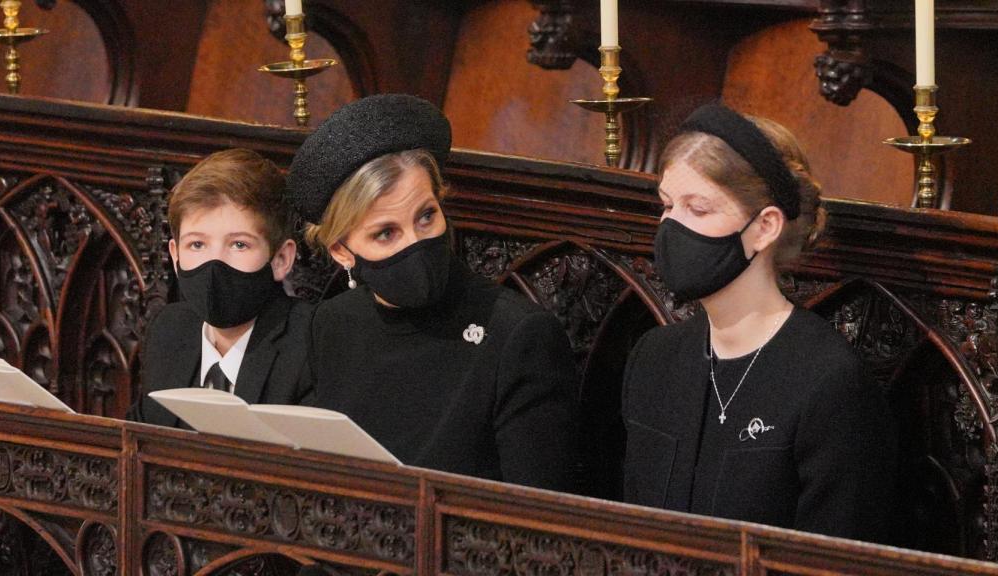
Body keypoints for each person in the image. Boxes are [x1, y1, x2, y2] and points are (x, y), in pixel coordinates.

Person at [621, 104, 894, 542]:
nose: (670, 228)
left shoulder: (830, 383)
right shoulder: (654, 358)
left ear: (765, 227)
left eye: (699, 209)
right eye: (667, 206)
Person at [286, 94, 579, 492]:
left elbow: (540, 515)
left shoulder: (519, 335)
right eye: (386, 233)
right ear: (341, 250)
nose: (415, 243)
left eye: (426, 216)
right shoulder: (333, 323)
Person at [132, 148, 314, 427]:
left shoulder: (310, 344)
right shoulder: (169, 331)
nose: (214, 264)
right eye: (197, 244)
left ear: (281, 259)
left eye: (239, 244)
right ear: (175, 254)